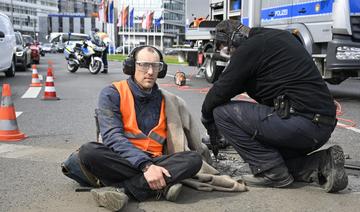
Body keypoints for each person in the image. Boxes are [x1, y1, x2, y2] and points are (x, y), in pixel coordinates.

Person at [201, 20, 348, 192]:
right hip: (322, 127)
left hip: (300, 125)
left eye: (228, 46)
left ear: (237, 38)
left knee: (221, 113)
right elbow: (235, 84)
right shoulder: (280, 38)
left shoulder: (251, 47)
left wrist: (207, 118)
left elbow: (220, 91)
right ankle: (321, 162)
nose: (230, 53)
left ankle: (271, 172)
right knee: (275, 157)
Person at [64, 46, 206, 211]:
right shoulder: (112, 93)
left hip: (156, 160)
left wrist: (151, 164)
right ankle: (159, 186)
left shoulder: (166, 100)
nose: (151, 71)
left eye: (156, 66)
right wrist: (146, 166)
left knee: (193, 160)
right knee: (89, 151)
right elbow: (112, 137)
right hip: (121, 158)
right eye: (144, 65)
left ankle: (122, 190)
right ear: (132, 66)